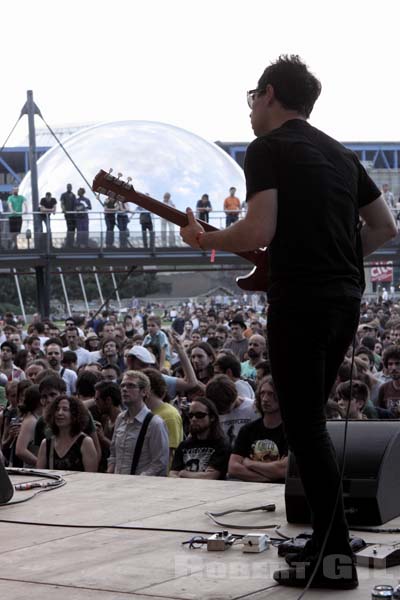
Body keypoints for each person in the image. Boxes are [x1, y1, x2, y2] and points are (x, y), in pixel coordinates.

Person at [180, 54, 397, 590]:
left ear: (269, 94)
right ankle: (327, 536)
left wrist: (205, 239)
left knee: (306, 428)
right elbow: (384, 225)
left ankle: (333, 555)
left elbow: (258, 228)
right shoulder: (341, 154)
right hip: (344, 298)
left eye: (253, 97)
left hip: (300, 300)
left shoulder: (268, 147)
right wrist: (339, 255)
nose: (251, 107)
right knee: (309, 426)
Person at [107, 370, 169, 476]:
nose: (125, 389)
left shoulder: (155, 423)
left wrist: (139, 479)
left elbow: (160, 463)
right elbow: (113, 454)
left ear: (144, 392)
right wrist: (110, 473)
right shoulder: (120, 418)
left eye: (131, 386)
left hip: (140, 487)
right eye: (122, 386)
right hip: (117, 484)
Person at [228, 376, 288, 482]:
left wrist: (249, 463)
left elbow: (282, 470)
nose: (265, 399)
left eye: (271, 394)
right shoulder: (247, 430)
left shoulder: (290, 432)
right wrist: (267, 479)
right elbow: (233, 468)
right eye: (262, 393)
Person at [169, 397, 230, 479]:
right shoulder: (184, 445)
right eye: (190, 415)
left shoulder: (221, 444)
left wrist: (184, 473)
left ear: (212, 417)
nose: (193, 419)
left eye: (199, 415)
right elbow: (172, 473)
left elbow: (211, 476)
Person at [36, 394, 98, 472]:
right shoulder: (46, 444)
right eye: (57, 409)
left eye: (65, 409)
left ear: (75, 414)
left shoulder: (85, 442)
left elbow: (91, 477)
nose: (59, 413)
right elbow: (40, 475)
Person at [60, 184, 77, 248]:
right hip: (67, 214)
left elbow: (75, 204)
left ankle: (72, 242)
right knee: (69, 227)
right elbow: (62, 203)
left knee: (73, 228)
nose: (69, 188)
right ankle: (68, 243)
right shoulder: (63, 195)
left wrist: (75, 212)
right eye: (68, 187)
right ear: (67, 187)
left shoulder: (73, 195)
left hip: (73, 214)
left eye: (70, 187)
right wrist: (64, 210)